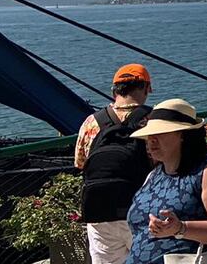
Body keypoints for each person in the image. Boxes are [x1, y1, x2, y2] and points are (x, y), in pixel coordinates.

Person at [125, 99, 207, 264]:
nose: (151, 140)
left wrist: (180, 228)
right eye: (149, 134)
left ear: (183, 135)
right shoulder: (155, 175)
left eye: (160, 133)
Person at [74, 64, 154, 264]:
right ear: (145, 88)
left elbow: (81, 163)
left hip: (101, 212)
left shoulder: (91, 122)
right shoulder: (154, 120)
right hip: (143, 209)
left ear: (114, 90)